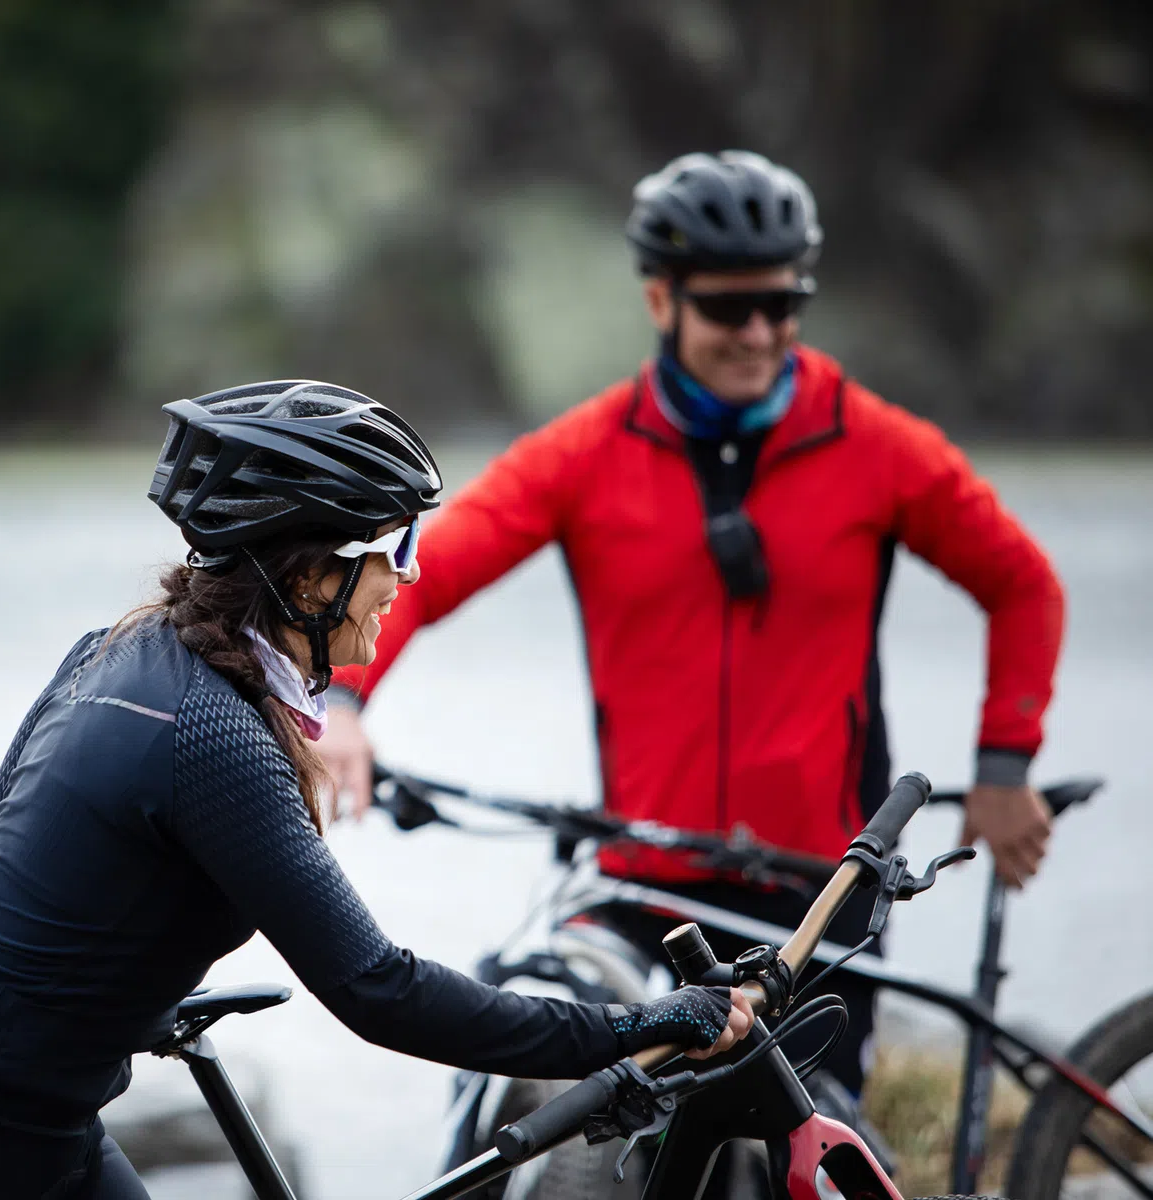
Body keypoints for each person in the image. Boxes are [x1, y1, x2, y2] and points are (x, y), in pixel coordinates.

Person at [0, 381, 754, 1199]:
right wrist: (627, 1030)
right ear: (309, 574)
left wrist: (116, 991)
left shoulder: (122, 647)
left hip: (31, 1134)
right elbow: (380, 991)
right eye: (392, 552)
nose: (404, 582)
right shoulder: (215, 740)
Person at [321, 151, 1067, 1097]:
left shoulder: (876, 446)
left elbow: (1024, 584)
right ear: (660, 300)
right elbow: (415, 576)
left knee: (803, 1145)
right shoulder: (585, 454)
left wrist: (1005, 765)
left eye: (783, 304)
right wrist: (342, 702)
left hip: (821, 893)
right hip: (648, 888)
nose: (760, 333)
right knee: (546, 1115)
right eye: (727, 308)